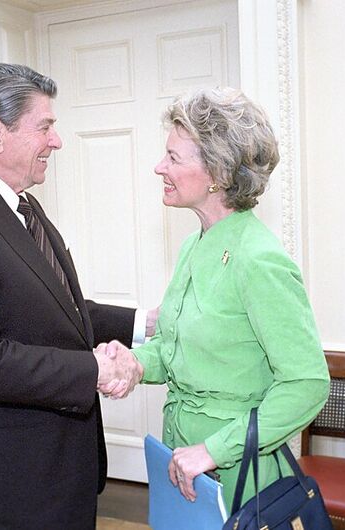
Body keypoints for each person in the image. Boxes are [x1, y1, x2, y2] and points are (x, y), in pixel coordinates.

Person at [0, 63, 153, 529]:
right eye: (45, 127)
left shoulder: (21, 203)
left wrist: (146, 322)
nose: (56, 141)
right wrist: (95, 369)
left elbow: (61, 311)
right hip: (11, 483)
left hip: (59, 468)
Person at [101, 87, 330, 511]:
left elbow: (307, 383)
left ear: (218, 174)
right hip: (181, 458)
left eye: (173, 157)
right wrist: (135, 363)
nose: (158, 167)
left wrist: (214, 450)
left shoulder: (259, 259)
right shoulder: (194, 246)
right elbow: (176, 350)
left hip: (240, 472)